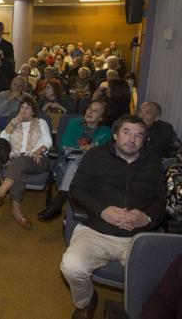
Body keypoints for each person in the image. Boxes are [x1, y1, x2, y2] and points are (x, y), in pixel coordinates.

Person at [60, 115, 164, 319]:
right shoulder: (95, 156)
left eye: (139, 136)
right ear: (115, 135)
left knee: (154, 278)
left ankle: (128, 309)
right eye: (126, 132)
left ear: (144, 140)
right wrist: (102, 210)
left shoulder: (153, 162)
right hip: (97, 229)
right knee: (71, 266)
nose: (132, 139)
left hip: (137, 236)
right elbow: (77, 191)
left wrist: (148, 217)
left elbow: (160, 201)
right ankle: (86, 301)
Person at [38, 100, 112, 222]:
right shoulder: (74, 123)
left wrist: (86, 150)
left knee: (81, 161)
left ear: (101, 117)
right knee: (77, 159)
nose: (90, 112)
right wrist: (86, 149)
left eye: (96, 111)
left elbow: (103, 153)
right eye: (90, 108)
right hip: (68, 162)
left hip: (93, 168)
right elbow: (64, 146)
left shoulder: (106, 131)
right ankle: (65, 209)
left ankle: (59, 201)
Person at [0, 97, 52, 229]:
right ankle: (17, 212)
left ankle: (0, 192)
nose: (23, 110)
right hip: (17, 161)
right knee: (18, 169)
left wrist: (40, 150)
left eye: (27, 108)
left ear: (33, 111)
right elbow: (2, 139)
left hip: (37, 159)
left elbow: (48, 141)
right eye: (22, 107)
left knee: (18, 162)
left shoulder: (41, 122)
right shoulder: (14, 122)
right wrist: (13, 123)